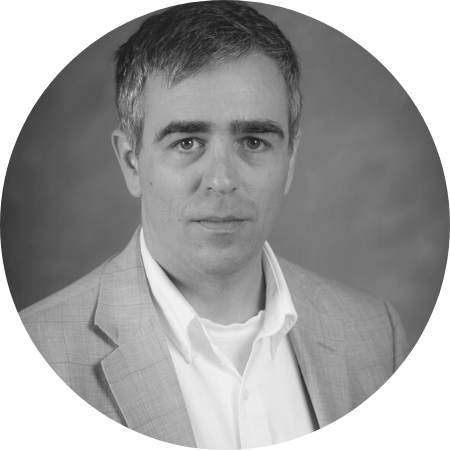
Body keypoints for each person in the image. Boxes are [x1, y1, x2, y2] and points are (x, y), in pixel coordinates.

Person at [19, 1, 409, 447]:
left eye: (254, 141)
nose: (222, 180)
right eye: (187, 142)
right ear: (131, 162)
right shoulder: (46, 349)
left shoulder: (375, 335)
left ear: (290, 161)